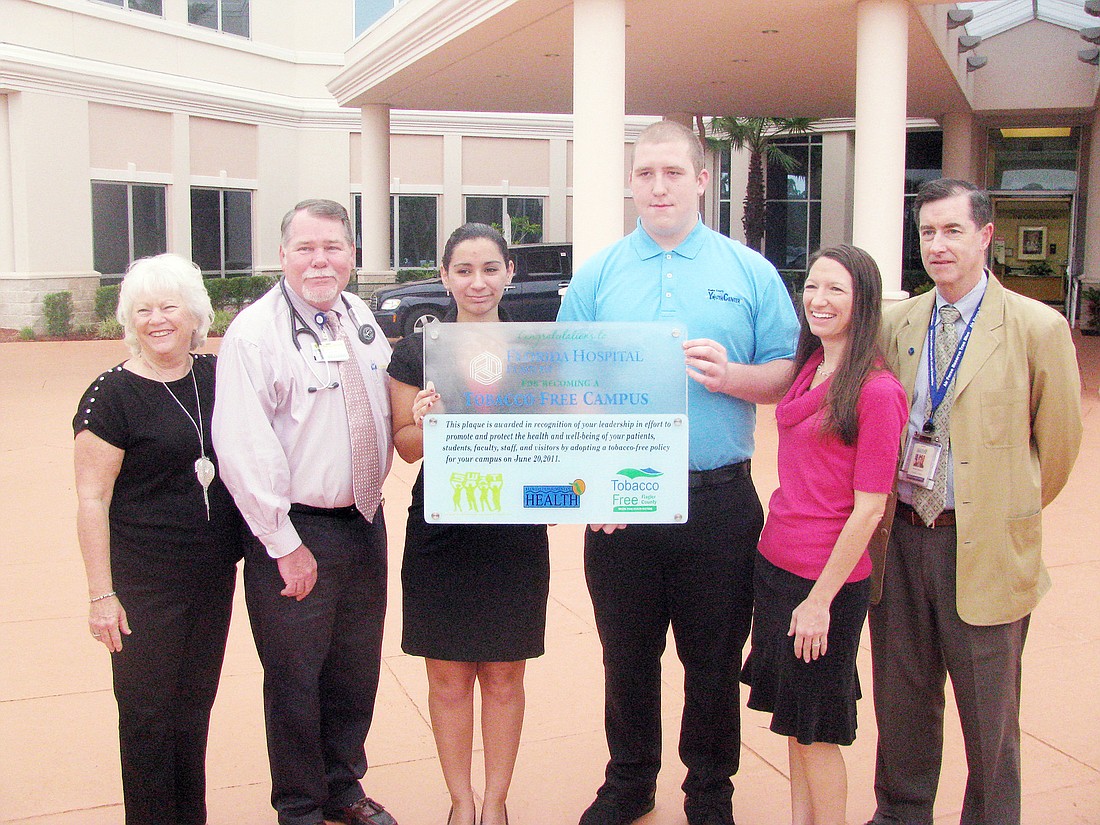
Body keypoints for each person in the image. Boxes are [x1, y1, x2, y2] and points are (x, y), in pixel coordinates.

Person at [557, 119, 800, 825]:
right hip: (622, 504)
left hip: (719, 502)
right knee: (626, 657)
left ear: (703, 179)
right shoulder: (599, 273)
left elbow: (785, 372)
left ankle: (709, 789)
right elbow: (567, 381)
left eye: (672, 172)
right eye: (644, 173)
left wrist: (736, 377)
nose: (657, 185)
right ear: (633, 182)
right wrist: (595, 476)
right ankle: (630, 780)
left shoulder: (748, 272)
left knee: (714, 660)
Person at [866, 179, 1083, 825]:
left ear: (986, 236)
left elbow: (1061, 445)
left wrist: (997, 508)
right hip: (900, 540)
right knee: (901, 701)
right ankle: (901, 812)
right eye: (928, 231)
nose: (938, 244)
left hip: (983, 546)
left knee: (991, 717)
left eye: (952, 230)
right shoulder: (896, 322)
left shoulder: (1037, 327)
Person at [212, 199, 397, 825]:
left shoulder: (360, 317)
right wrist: (283, 543)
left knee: (354, 671)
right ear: (283, 254)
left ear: (352, 255)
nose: (321, 260)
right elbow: (240, 444)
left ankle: (344, 788)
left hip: (365, 520)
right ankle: (299, 807)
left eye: (333, 248)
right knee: (295, 682)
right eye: (305, 248)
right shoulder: (255, 333)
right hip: (296, 532)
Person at [387, 223, 550, 825]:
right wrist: (428, 421)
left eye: (489, 268)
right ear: (445, 275)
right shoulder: (417, 350)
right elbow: (404, 446)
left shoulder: (540, 346)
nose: (477, 282)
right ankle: (460, 803)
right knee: (448, 675)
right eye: (463, 270)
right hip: (444, 529)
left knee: (506, 674)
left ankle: (498, 803)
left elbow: (567, 436)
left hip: (514, 527)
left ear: (510, 272)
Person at [73, 253, 243, 825]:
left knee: (193, 713)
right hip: (143, 583)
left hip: (213, 575)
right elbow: (91, 500)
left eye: (170, 306)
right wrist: (102, 596)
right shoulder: (110, 396)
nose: (158, 320)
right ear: (129, 319)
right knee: (148, 718)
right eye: (143, 310)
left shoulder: (218, 377)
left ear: (194, 313)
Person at [741, 245, 907, 825]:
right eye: (811, 287)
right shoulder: (811, 366)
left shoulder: (878, 392)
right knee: (794, 724)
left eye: (835, 289)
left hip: (824, 583)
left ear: (863, 301)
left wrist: (819, 602)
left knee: (818, 733)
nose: (818, 300)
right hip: (778, 564)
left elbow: (868, 511)